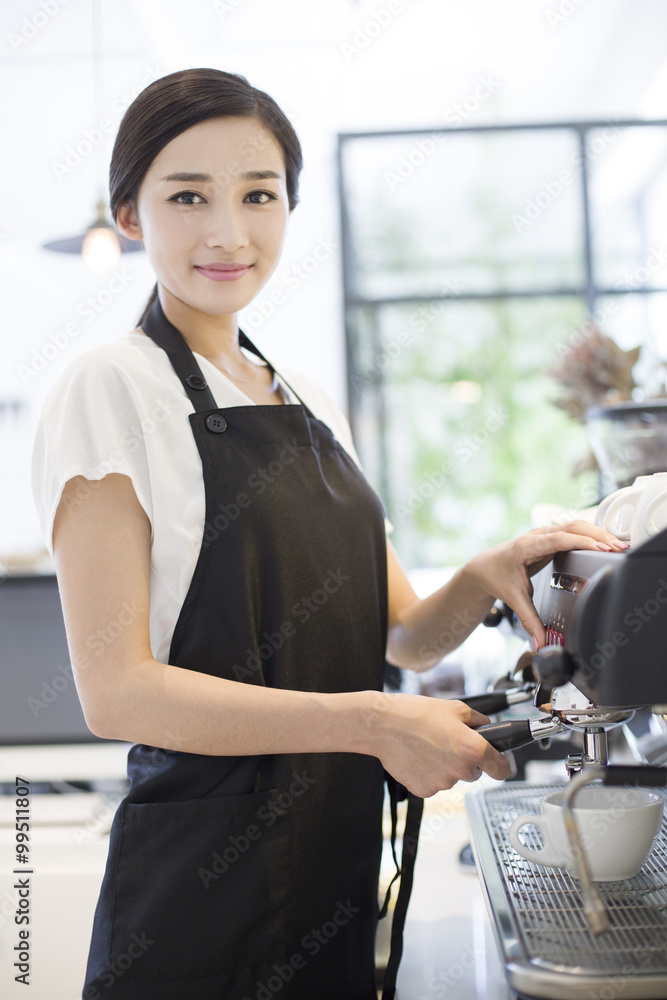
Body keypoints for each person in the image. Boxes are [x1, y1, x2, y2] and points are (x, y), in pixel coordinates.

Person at [31, 68, 628, 1000]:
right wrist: (372, 721)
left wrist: (487, 571)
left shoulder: (301, 395)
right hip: (200, 909)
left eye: (257, 195)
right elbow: (118, 695)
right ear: (132, 214)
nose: (228, 230)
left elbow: (398, 633)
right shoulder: (110, 387)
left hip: (334, 884)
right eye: (187, 195)